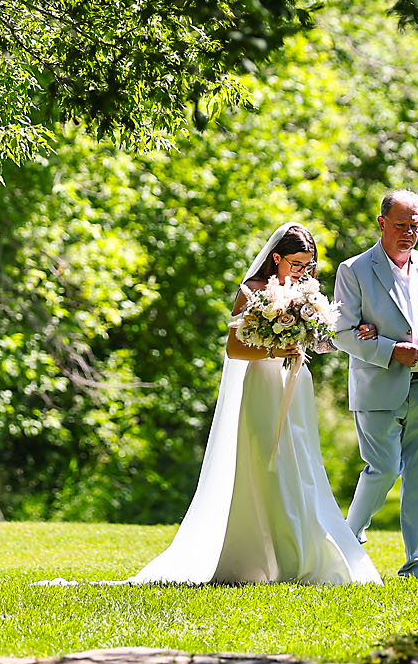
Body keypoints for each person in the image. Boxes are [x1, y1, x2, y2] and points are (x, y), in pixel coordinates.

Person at [131, 223, 382, 585]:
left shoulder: (305, 292)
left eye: (308, 266)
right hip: (263, 384)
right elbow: (234, 349)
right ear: (276, 257)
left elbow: (322, 340)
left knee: (301, 461)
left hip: (295, 385)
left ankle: (302, 548)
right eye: (296, 264)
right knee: (267, 459)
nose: (302, 272)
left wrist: (351, 332)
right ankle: (266, 555)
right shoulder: (252, 291)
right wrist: (276, 350)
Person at [332, 190, 418, 579]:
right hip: (377, 386)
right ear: (382, 223)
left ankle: (417, 564)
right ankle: (347, 542)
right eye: (401, 224)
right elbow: (341, 333)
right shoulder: (353, 269)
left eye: (414, 225)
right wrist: (391, 350)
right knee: (384, 468)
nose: (408, 232)